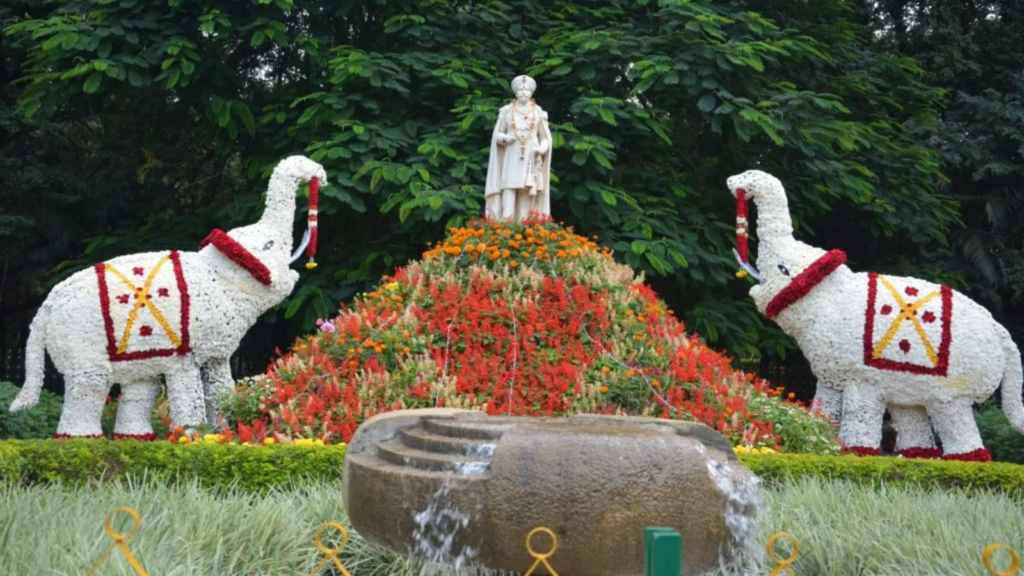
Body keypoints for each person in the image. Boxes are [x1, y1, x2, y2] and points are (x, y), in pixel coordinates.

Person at [484, 75, 552, 220]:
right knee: (509, 188)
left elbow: (545, 137)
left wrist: (542, 148)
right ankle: (505, 225)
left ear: (531, 93)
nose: (523, 92)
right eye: (520, 90)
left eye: (527, 90)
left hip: (531, 157)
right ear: (515, 92)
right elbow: (497, 135)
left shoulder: (538, 112)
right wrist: (505, 138)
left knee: (525, 191)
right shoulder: (506, 111)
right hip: (511, 156)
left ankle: (523, 226)